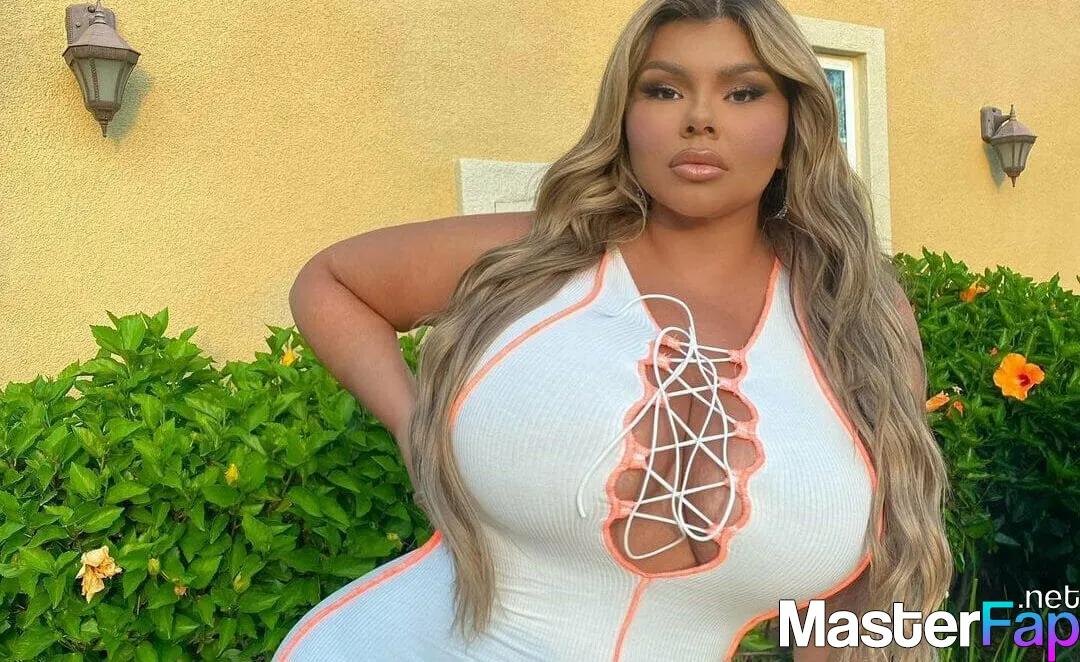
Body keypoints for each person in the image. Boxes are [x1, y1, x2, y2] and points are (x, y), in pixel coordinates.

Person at [274, 0, 952, 660]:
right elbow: (331, 283)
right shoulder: (537, 261)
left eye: (743, 93)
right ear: (625, 119)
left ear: (793, 128)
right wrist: (414, 429)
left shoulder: (855, 314)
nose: (700, 119)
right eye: (664, 90)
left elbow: (858, 602)